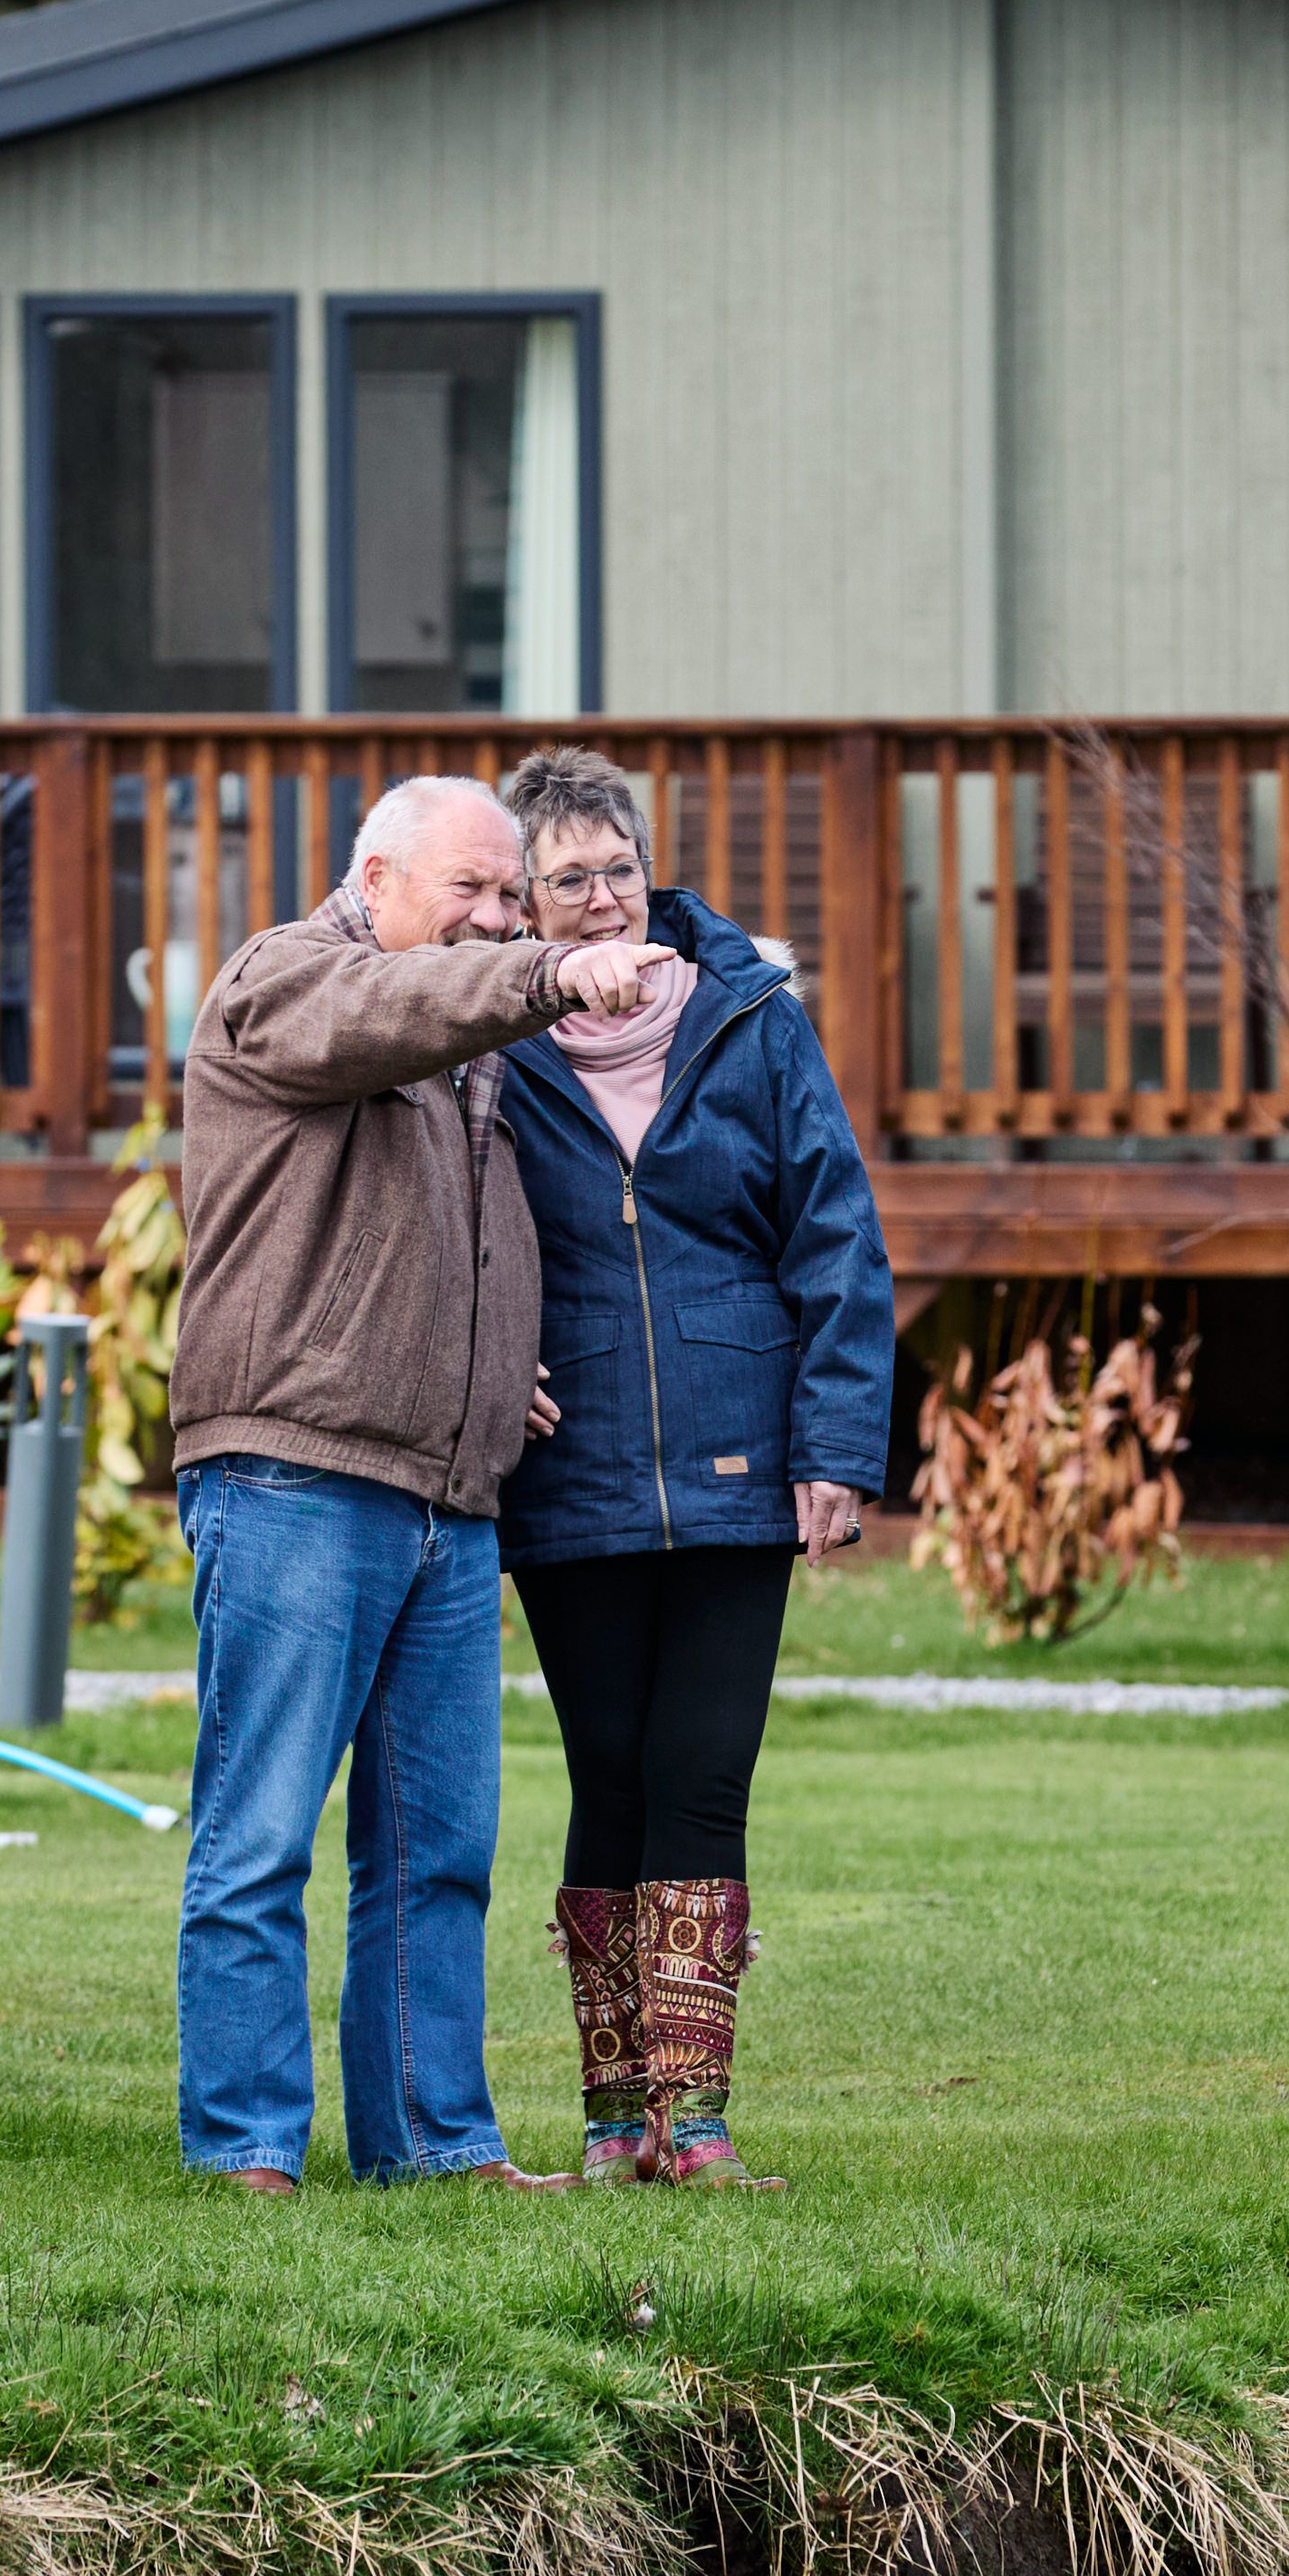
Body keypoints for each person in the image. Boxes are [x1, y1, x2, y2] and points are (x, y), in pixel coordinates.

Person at [167, 774, 664, 2193]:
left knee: (439, 1855)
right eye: (476, 891)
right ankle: (248, 2146)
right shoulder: (291, 981)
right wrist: (549, 968)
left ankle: (434, 2147)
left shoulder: (467, 1048)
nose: (499, 919)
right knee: (259, 1839)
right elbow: (395, 1019)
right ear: (377, 877)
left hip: (448, 1495)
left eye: (516, 898)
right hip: (295, 1476)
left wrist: (490, 1358)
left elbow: (451, 1233)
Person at [489, 747, 898, 2190]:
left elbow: (836, 1236)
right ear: (525, 901)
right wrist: (483, 1367)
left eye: (618, 869)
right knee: (608, 1771)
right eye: (566, 878)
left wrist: (836, 1446)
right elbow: (451, 1232)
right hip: (572, 1465)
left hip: (739, 1460)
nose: (601, 900)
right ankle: (614, 2128)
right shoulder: (489, 1047)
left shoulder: (750, 1018)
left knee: (703, 1773)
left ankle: (699, 2126)